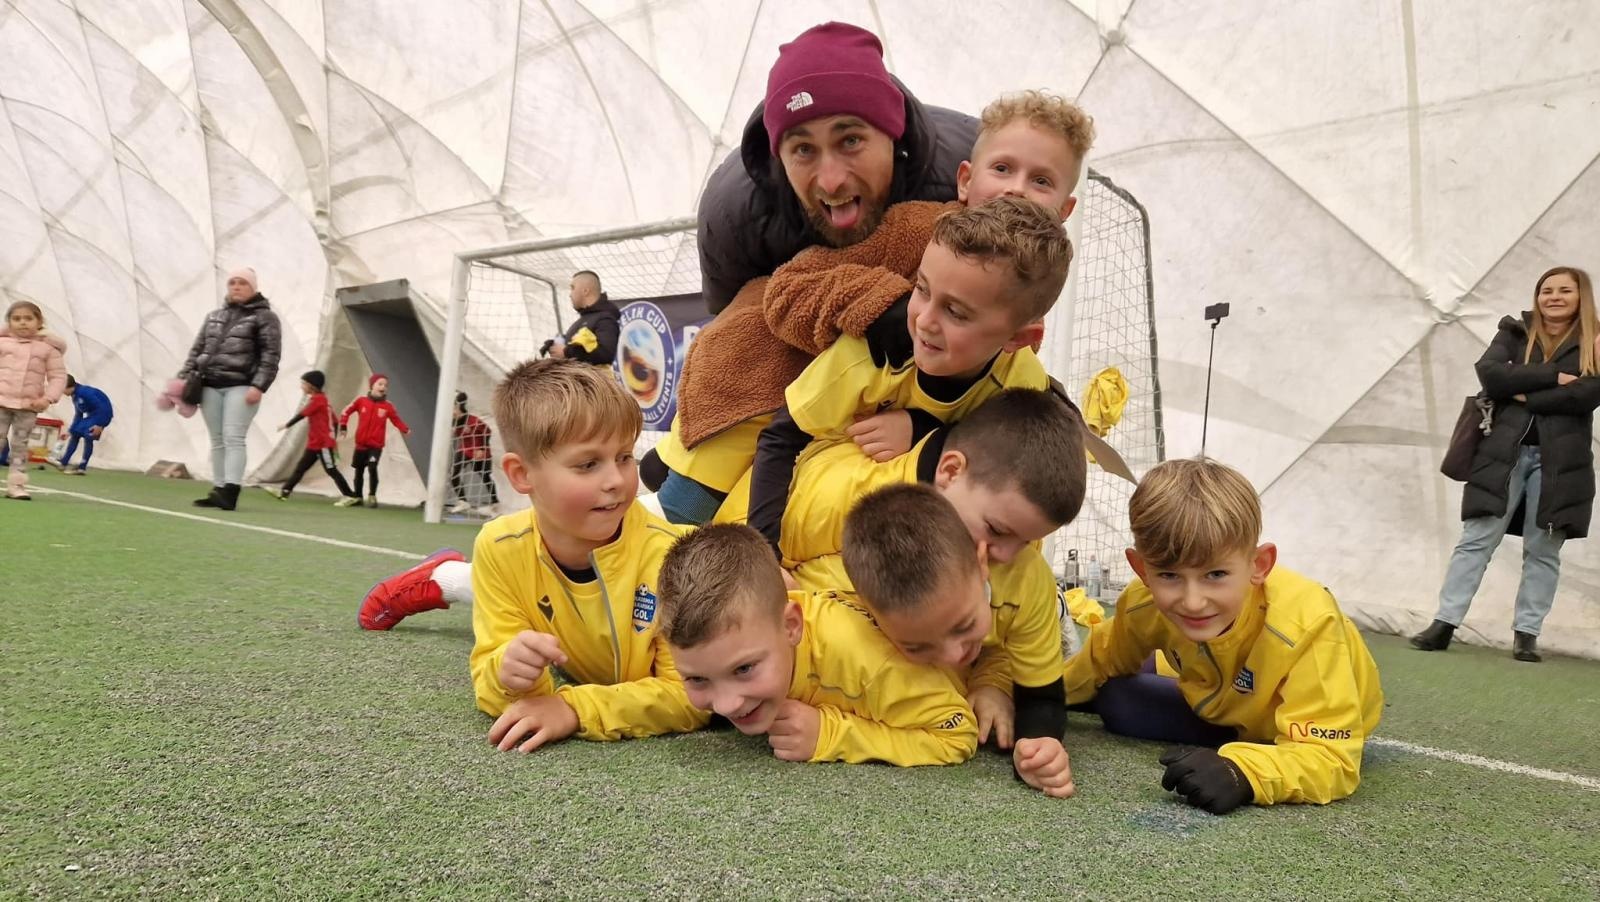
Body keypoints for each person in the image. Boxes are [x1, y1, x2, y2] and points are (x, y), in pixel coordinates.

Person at [655, 87, 1093, 524]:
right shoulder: (915, 228)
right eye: (1002, 168)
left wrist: (923, 428)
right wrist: (888, 306)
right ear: (966, 179)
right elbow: (792, 287)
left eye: (1041, 181)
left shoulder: (1036, 277)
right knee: (687, 505)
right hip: (768, 390)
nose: (1016, 189)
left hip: (849, 430)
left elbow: (987, 397)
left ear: (1066, 207)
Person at [747, 196, 1072, 550]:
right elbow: (781, 439)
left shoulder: (1022, 387)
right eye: (922, 288)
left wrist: (921, 428)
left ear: (1019, 337)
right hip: (810, 502)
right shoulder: (869, 353)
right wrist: (765, 552)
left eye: (956, 312)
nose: (924, 320)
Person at [1064, 458, 1383, 813]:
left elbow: (1332, 760)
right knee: (1116, 698)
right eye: (1169, 575)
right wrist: (1031, 696)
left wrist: (1244, 771)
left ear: (1259, 566)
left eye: (1215, 574)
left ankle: (1240, 740)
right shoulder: (1143, 604)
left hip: (1287, 723)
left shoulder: (1309, 622)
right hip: (1215, 689)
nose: (1193, 602)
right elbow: (1099, 659)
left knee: (1124, 704)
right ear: (1141, 568)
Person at [463, 358, 708, 752]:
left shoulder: (676, 555)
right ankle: (432, 580)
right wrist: (508, 674)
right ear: (522, 475)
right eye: (588, 464)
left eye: (625, 457)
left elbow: (691, 696)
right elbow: (492, 675)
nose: (616, 480)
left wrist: (574, 708)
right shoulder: (499, 547)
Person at [658, 523, 977, 766]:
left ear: (791, 627)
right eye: (697, 679)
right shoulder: (759, 625)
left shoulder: (871, 666)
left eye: (744, 669)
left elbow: (957, 734)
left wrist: (830, 733)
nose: (727, 705)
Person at [1412, 266, 1600, 662]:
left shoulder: (1594, 340)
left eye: (1565, 290)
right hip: (1502, 454)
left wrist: (1524, 393)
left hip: (1561, 463)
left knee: (1543, 548)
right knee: (1477, 539)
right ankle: (1444, 624)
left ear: (1581, 296)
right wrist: (1555, 376)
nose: (1554, 297)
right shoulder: (1514, 331)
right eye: (1546, 290)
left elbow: (1587, 394)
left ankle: (1527, 634)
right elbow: (1492, 376)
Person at [840, 484, 1075, 796]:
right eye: (917, 646)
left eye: (964, 625)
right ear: (867, 611)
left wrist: (1038, 743)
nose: (952, 655)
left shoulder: (1027, 583)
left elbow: (1042, 696)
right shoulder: (854, 606)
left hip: (1033, 621)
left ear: (981, 567)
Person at [180, 266, 282, 511]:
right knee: (217, 440)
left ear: (253, 287)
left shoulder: (265, 317)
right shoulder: (214, 316)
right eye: (232, 282)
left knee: (234, 437)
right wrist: (184, 379)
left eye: (242, 283)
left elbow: (271, 354)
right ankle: (218, 488)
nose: (236, 286)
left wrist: (259, 386)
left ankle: (231, 490)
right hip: (209, 385)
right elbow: (197, 350)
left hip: (242, 385)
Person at [0, 301, 68, 500]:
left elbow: (57, 376)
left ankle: (17, 485)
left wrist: (47, 398)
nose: (23, 323)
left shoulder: (47, 349)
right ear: (9, 322)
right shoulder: (2, 343)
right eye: (17, 319)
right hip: (1, 402)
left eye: (28, 318)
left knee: (20, 445)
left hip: (28, 406)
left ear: (39, 322)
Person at [262, 370, 357, 502]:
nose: (302, 386)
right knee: (301, 467)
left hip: (323, 445)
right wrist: (333, 435)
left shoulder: (318, 401)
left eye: (304, 384)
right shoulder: (322, 401)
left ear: (312, 386)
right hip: (315, 444)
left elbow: (303, 414)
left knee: (331, 470)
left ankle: (351, 496)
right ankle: (285, 491)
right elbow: (334, 421)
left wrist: (286, 425)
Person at [336, 374, 410, 509]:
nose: (383, 387)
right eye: (380, 384)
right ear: (372, 386)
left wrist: (405, 429)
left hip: (375, 445)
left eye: (385, 385)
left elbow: (396, 419)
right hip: (360, 444)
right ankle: (358, 496)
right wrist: (343, 426)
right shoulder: (361, 401)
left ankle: (372, 495)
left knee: (372, 466)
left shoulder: (388, 406)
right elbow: (346, 411)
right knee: (359, 470)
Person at [541, 270, 620, 367]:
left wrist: (566, 352)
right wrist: (554, 345)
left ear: (585, 291)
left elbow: (606, 354)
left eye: (572, 288)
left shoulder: (605, 319)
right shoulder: (584, 319)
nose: (570, 294)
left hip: (591, 381)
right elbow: (579, 345)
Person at [447, 391, 499, 515]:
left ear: (458, 407)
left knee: (484, 476)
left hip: (478, 450)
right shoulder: (452, 421)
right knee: (454, 474)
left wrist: (482, 448)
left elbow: (488, 431)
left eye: (453, 406)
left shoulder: (473, 421)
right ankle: (463, 502)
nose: (452, 410)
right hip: (464, 449)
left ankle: (495, 504)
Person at [51, 375, 112, 475]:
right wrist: (71, 430)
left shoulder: (85, 393)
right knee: (75, 433)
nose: (61, 392)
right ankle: (63, 462)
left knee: (89, 436)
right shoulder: (75, 395)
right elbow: (78, 414)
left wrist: (100, 425)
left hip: (101, 415)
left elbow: (102, 408)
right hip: (91, 416)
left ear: (68, 387)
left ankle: (82, 467)